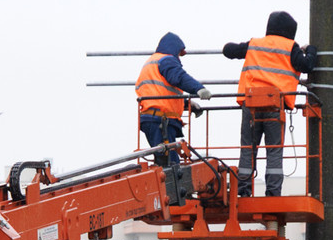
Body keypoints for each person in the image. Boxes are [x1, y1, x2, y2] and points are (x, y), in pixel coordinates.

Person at [222, 11, 318, 196]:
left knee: (248, 148)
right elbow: (307, 65)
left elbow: (228, 50)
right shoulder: (291, 47)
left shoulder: (255, 44)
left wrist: (236, 47)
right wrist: (310, 49)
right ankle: (273, 192)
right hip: (275, 105)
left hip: (251, 105)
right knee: (274, 151)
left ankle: (243, 190)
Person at [136, 32, 211, 166]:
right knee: (170, 165)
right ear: (174, 49)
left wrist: (186, 103)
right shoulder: (166, 60)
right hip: (160, 121)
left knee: (166, 160)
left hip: (155, 118)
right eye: (179, 53)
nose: (179, 58)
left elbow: (161, 94)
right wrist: (198, 89)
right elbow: (178, 77)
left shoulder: (153, 62)